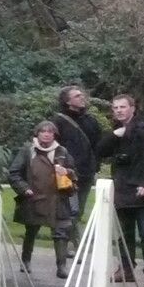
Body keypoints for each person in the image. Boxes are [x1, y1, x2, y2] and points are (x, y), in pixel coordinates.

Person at [95, 94, 144, 287]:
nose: (118, 111)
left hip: (141, 188)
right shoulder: (118, 132)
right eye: (115, 108)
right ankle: (126, 269)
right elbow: (100, 150)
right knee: (124, 233)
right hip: (122, 188)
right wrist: (115, 135)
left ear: (132, 108)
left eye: (122, 107)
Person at [6, 120, 77, 278]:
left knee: (61, 232)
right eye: (43, 131)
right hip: (34, 198)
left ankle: (61, 267)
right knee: (31, 230)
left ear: (54, 134)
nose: (46, 134)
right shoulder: (28, 151)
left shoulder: (62, 151)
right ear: (37, 134)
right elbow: (14, 173)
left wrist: (66, 171)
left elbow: (73, 172)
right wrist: (24, 189)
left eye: (50, 132)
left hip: (58, 199)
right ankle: (26, 260)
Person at [52, 86, 105, 231]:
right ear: (67, 101)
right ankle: (65, 239)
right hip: (67, 173)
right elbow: (54, 147)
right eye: (77, 96)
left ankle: (71, 238)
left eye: (82, 95)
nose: (82, 97)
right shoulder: (58, 121)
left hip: (86, 172)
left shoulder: (91, 121)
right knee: (69, 208)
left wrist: (95, 165)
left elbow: (98, 145)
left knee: (79, 209)